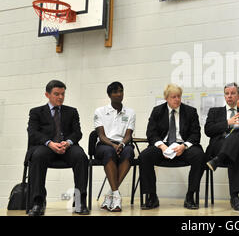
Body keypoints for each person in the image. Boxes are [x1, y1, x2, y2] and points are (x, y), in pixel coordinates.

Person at [26, 80, 89, 216]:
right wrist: (49, 143)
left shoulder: (72, 111)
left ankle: (80, 201)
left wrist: (68, 142)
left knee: (81, 157)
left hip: (67, 147)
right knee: (37, 156)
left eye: (62, 94)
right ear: (47, 95)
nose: (60, 97)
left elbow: (77, 133)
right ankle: (38, 202)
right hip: (46, 146)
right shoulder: (36, 112)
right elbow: (33, 132)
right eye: (56, 94)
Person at [139, 84, 205, 210]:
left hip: (183, 146)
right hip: (163, 146)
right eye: (173, 97)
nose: (177, 99)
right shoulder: (157, 111)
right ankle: (152, 196)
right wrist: (162, 146)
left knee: (199, 156)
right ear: (166, 98)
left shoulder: (190, 111)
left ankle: (190, 195)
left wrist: (184, 146)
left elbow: (195, 135)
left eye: (179, 96)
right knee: (144, 156)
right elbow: (151, 133)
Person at [205, 82, 239, 211]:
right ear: (224, 96)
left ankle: (218, 160)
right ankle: (235, 197)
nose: (229, 96)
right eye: (227, 93)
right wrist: (227, 123)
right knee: (234, 153)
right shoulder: (214, 112)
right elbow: (208, 130)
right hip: (220, 146)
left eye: (233, 93)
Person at [93, 82, 136, 212]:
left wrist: (122, 144)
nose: (119, 94)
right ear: (109, 95)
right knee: (109, 152)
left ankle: (110, 194)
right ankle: (116, 196)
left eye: (121, 91)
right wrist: (113, 145)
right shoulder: (100, 111)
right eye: (115, 92)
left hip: (123, 144)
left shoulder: (130, 112)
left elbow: (128, 135)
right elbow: (101, 135)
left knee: (129, 152)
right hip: (105, 144)